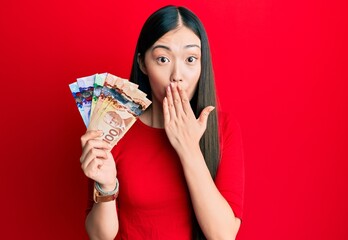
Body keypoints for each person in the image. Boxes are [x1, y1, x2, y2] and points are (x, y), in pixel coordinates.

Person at [80, 5, 244, 240]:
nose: (177, 74)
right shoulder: (114, 125)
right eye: (163, 59)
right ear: (143, 64)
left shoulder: (224, 129)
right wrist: (106, 187)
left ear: (202, 64)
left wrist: (188, 148)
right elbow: (99, 236)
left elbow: (223, 236)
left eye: (190, 58)